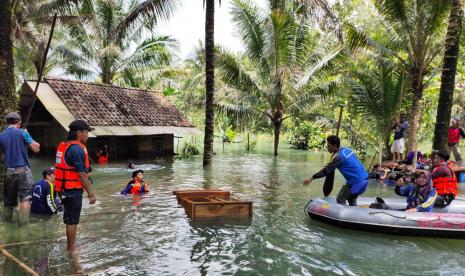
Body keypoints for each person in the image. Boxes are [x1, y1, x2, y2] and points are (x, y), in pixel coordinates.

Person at [55, 119, 97, 252]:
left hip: (63, 188)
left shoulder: (65, 145)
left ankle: (70, 245)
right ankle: (72, 248)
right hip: (72, 190)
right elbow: (82, 174)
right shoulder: (77, 149)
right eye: (86, 132)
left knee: (69, 218)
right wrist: (91, 193)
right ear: (79, 133)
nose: (87, 136)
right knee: (72, 220)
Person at [303, 135, 368, 206]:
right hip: (365, 180)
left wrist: (311, 178)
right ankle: (354, 211)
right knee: (351, 198)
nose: (327, 147)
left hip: (356, 183)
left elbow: (326, 171)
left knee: (340, 198)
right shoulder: (347, 150)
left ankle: (342, 215)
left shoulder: (338, 157)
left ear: (335, 145)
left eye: (329, 146)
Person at [0, 112, 40, 224]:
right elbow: (36, 149)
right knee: (25, 198)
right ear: (19, 123)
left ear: (7, 122)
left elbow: (2, 157)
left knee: (8, 201)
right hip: (23, 171)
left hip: (8, 171)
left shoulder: (1, 135)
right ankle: (23, 226)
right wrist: (27, 135)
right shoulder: (23, 133)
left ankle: (7, 223)